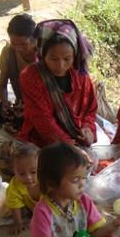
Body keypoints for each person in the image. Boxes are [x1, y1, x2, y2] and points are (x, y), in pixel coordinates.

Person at [17, 19, 98, 148]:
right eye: (54, 59)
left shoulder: (81, 76)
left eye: (67, 59)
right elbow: (43, 121)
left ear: (74, 55)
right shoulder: (30, 77)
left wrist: (87, 128)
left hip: (76, 137)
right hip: (41, 141)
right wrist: (69, 146)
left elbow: (90, 108)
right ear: (43, 54)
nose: (60, 65)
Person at [0, 13, 37, 133]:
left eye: (23, 44)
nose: (18, 48)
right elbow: (2, 86)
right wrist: (5, 103)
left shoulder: (46, 54)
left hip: (45, 106)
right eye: (14, 43)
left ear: (34, 40)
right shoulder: (8, 52)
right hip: (22, 105)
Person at [4, 142, 41, 235]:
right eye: (21, 174)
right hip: (30, 208)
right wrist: (18, 222)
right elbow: (14, 204)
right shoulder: (15, 185)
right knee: (6, 210)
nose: (28, 177)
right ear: (14, 172)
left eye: (33, 172)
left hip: (49, 209)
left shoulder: (48, 182)